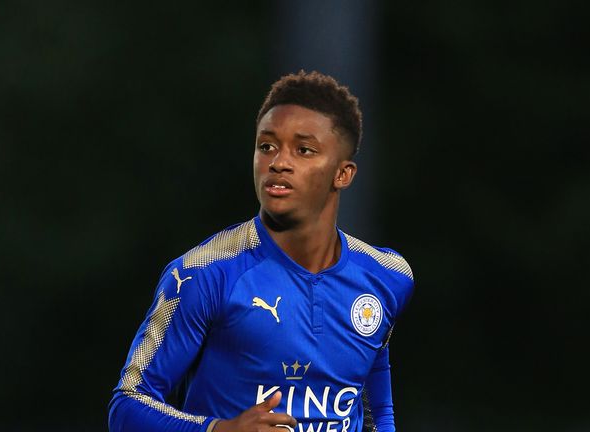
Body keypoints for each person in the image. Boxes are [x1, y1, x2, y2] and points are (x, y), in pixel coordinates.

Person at [108, 71, 415, 432]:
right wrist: (220, 430)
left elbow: (376, 411)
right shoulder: (203, 273)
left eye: (303, 150)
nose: (278, 162)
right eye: (267, 146)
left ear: (342, 174)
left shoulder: (387, 277)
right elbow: (127, 405)